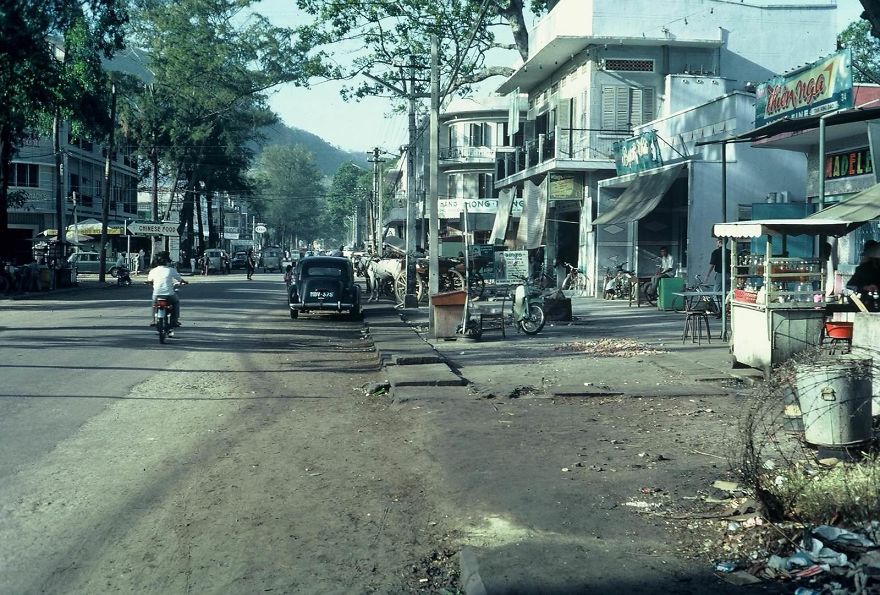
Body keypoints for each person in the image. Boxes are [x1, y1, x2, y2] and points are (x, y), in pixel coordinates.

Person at [147, 252, 188, 328]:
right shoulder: (171, 270)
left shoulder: (153, 271)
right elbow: (180, 279)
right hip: (169, 294)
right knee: (176, 302)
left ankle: (153, 320)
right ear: (167, 261)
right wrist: (184, 282)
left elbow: (149, 281)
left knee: (154, 304)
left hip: (157, 294)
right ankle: (175, 320)